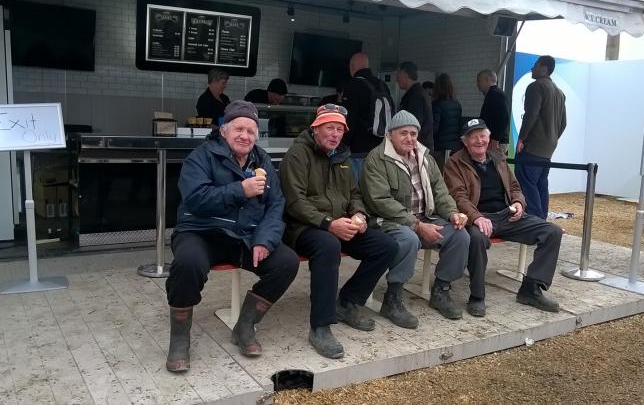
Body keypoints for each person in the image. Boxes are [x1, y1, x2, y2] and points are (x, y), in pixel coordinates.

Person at [164, 100, 300, 372]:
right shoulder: (201, 157)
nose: (245, 136)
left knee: (286, 262)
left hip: (244, 236)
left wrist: (264, 239)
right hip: (201, 233)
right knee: (188, 264)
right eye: (239, 129)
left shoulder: (261, 160)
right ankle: (179, 338)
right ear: (224, 131)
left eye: (251, 131)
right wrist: (241, 190)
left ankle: (245, 325)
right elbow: (195, 199)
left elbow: (276, 204)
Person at [279, 104, 398, 359]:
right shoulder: (298, 155)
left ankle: (348, 302)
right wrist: (328, 223)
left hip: (339, 224)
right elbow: (295, 202)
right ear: (315, 128)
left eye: (339, 129)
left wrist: (358, 214)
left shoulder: (342, 157)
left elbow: (355, 194)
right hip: (303, 227)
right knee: (328, 246)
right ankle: (320, 325)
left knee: (386, 245)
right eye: (329, 128)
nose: (335, 134)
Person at [444, 118, 563, 316]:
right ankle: (477, 295)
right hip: (478, 216)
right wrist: (476, 217)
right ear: (465, 142)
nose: (479, 141)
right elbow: (458, 197)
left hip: (507, 215)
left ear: (489, 138)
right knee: (476, 238)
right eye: (473, 137)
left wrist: (518, 203)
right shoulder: (455, 162)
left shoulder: (497, 157)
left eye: (483, 136)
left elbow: (515, 187)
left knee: (552, 231)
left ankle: (531, 289)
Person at [360, 110, 470, 322]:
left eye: (413, 133)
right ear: (390, 134)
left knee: (460, 235)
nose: (409, 138)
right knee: (408, 238)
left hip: (424, 216)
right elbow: (380, 201)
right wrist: (417, 225)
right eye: (403, 133)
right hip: (388, 220)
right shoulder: (377, 158)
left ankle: (441, 290)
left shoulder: (425, 157)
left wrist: (453, 213)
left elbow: (440, 191)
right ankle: (392, 298)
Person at [515, 55, 566, 219]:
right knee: (541, 184)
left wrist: (521, 139)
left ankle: (535, 221)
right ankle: (542, 219)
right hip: (548, 149)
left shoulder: (536, 87)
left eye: (535, 65)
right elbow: (564, 123)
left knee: (527, 183)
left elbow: (531, 115)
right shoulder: (559, 93)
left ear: (544, 69)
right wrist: (552, 138)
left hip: (532, 147)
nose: (532, 68)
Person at [341, 52, 394, 178]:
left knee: (357, 187)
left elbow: (349, 119)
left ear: (352, 67)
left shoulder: (353, 85)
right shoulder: (382, 85)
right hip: (381, 148)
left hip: (359, 149)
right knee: (375, 187)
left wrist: (343, 144)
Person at [397, 61, 434, 150]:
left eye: (398, 75)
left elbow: (413, 126)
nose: (397, 79)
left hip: (417, 148)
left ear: (405, 75)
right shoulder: (418, 94)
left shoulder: (415, 97)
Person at [431, 73, 463, 169]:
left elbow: (434, 128)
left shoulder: (437, 105)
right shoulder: (457, 104)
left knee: (441, 175)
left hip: (440, 147)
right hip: (455, 147)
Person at [477, 69, 510, 155]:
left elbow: (503, 117)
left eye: (479, 81)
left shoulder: (496, 94)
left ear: (487, 79)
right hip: (494, 139)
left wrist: (496, 138)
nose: (477, 85)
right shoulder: (493, 94)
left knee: (496, 166)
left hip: (496, 142)